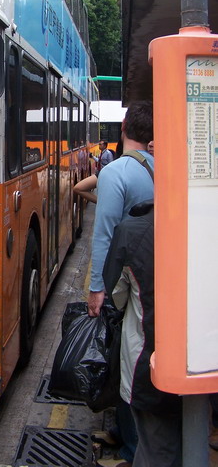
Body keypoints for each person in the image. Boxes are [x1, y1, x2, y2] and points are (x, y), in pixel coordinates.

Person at [88, 100, 154, 467]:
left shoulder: (115, 172)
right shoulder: (160, 166)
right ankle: (124, 431)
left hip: (125, 280)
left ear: (124, 126)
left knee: (126, 356)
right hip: (153, 275)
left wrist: (97, 288)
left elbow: (104, 233)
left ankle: (131, 449)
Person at [102, 201, 182, 467]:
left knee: (156, 447)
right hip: (202, 371)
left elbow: (117, 295)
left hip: (148, 364)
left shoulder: (132, 232)